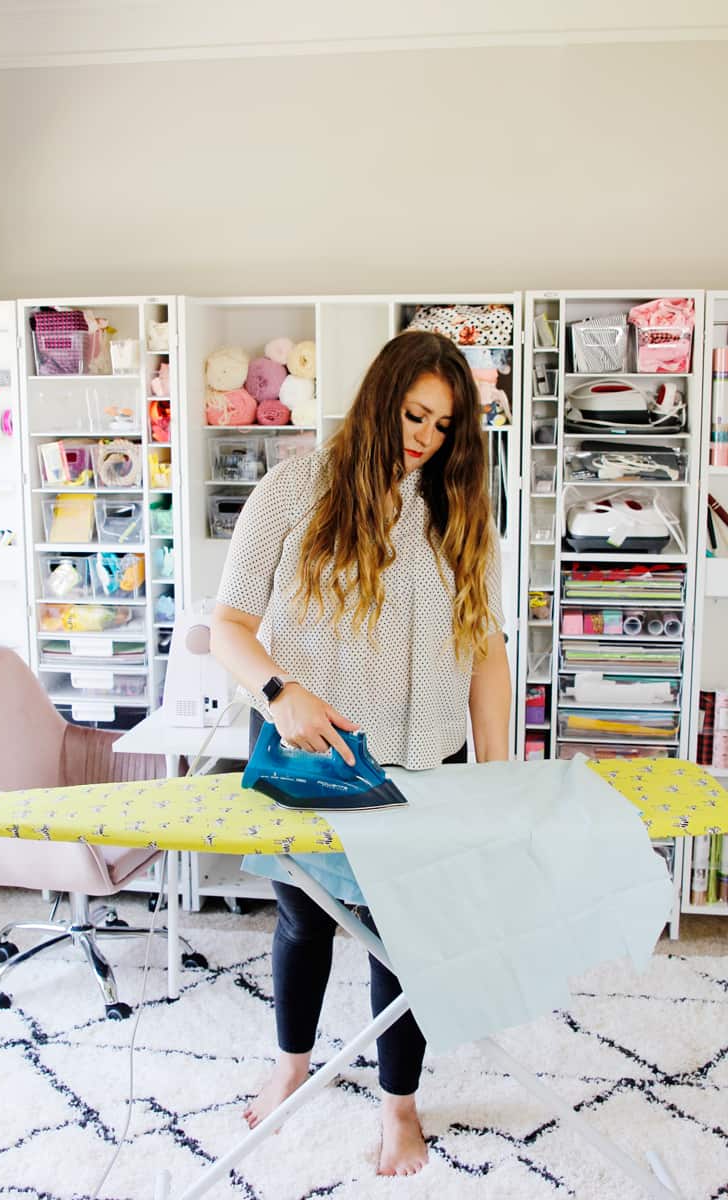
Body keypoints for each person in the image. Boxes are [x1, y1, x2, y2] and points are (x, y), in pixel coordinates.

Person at [210, 329, 512, 1177]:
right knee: (305, 920)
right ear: (381, 397)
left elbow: (485, 647)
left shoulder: (452, 508)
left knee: (405, 937)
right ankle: (290, 1070)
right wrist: (280, 693)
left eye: (445, 425)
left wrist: (495, 776)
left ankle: (399, 1108)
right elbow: (227, 628)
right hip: (314, 752)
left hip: (425, 758)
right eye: (415, 413)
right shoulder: (292, 489)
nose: (425, 436)